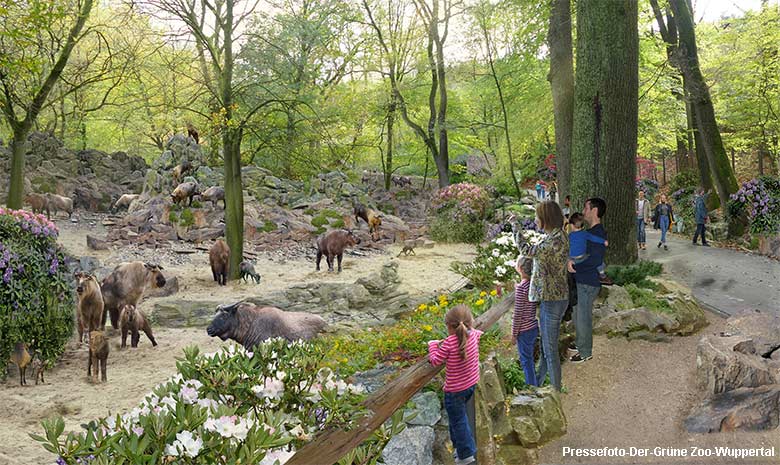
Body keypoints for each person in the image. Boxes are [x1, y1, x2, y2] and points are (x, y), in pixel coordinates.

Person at [428, 304, 483, 465]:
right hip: (470, 385)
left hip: (454, 391)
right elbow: (479, 333)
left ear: (449, 326)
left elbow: (435, 360)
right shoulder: (473, 335)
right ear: (470, 323)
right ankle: (459, 450)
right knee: (456, 420)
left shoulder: (449, 343)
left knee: (459, 421)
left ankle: (466, 455)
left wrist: (432, 345)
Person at [526, 201, 569, 391]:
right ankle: (539, 383)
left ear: (545, 218)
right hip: (553, 298)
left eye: (537, 217)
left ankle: (555, 392)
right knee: (545, 346)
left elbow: (528, 251)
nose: (535, 220)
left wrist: (515, 227)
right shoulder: (557, 236)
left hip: (553, 300)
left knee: (550, 349)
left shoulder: (554, 241)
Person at [568, 197, 607, 364]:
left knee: (583, 317)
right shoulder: (588, 233)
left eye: (586, 209)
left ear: (594, 211)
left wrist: (575, 265)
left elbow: (595, 260)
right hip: (581, 280)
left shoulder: (598, 232)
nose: (583, 212)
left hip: (588, 282)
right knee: (578, 314)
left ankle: (585, 352)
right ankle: (580, 343)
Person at [512, 256, 538, 387]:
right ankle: (534, 382)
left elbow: (517, 314)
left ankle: (531, 387)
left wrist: (514, 334)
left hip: (524, 330)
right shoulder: (532, 285)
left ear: (520, 269)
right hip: (533, 326)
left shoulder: (521, 288)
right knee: (530, 358)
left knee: (526, 361)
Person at [567, 212, 611, 284]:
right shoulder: (585, 234)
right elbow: (594, 238)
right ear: (582, 225)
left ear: (572, 225)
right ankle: (602, 276)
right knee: (598, 262)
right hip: (582, 257)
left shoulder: (570, 236)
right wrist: (604, 241)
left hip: (572, 258)